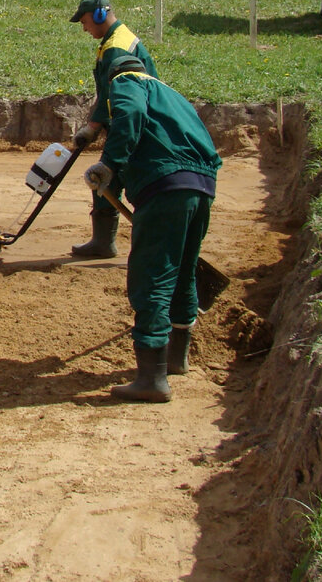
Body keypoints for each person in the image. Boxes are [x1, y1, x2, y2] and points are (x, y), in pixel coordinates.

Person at [83, 55, 221, 403]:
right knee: (184, 271)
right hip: (202, 186)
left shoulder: (125, 84)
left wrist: (110, 164)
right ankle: (176, 359)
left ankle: (151, 379)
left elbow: (129, 116)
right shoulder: (172, 94)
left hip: (165, 188)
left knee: (153, 277)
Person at [68, 0, 158, 258]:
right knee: (106, 181)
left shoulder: (116, 48)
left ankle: (112, 243)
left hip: (132, 125)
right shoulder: (116, 39)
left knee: (107, 177)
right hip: (132, 122)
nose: (84, 28)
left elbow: (115, 95)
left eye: (84, 21)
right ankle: (104, 242)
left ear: (99, 15)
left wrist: (93, 127)